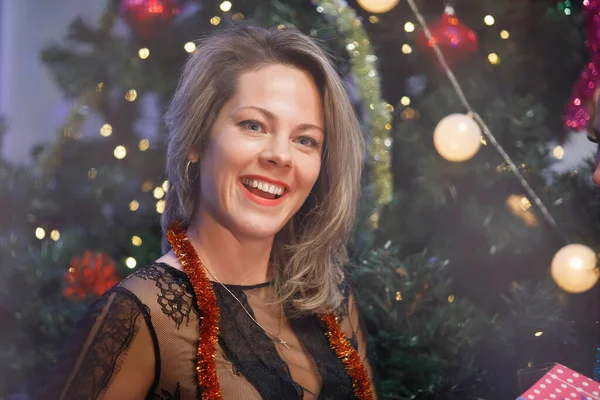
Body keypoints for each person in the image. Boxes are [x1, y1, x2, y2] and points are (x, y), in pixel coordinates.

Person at [37, 25, 378, 399]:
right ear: (197, 140)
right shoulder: (141, 313)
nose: (280, 155)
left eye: (305, 140)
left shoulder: (331, 299)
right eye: (254, 125)